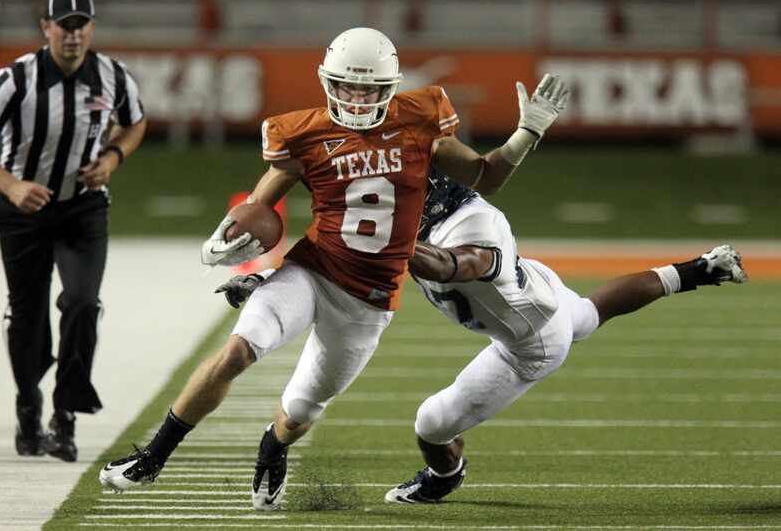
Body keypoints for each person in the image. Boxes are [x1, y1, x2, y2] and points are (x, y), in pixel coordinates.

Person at [98, 26, 569, 510]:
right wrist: (229, 245)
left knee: (299, 412)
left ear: (390, 88)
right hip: (313, 272)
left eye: (368, 88)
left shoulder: (421, 119)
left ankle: (273, 444)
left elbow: (484, 178)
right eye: (347, 85)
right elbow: (258, 209)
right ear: (328, 82)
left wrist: (525, 134)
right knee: (238, 351)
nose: (358, 97)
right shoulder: (301, 133)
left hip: (369, 302)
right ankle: (152, 458)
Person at [221, 169, 748, 505]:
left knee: (431, 423)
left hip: (529, 342)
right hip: (541, 293)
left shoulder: (475, 240)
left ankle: (445, 475)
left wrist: (394, 245)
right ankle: (696, 271)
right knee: (588, 312)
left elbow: (457, 264)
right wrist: (268, 280)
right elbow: (337, 259)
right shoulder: (458, 214)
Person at [0, 0, 146, 462]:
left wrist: (113, 157)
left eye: (82, 24)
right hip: (25, 212)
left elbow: (136, 121)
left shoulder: (112, 76)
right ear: (46, 28)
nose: (73, 34)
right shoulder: (13, 80)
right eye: (64, 25)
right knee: (28, 317)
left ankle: (65, 415)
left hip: (83, 206)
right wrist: (11, 185)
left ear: (91, 28)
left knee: (82, 303)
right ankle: (28, 403)